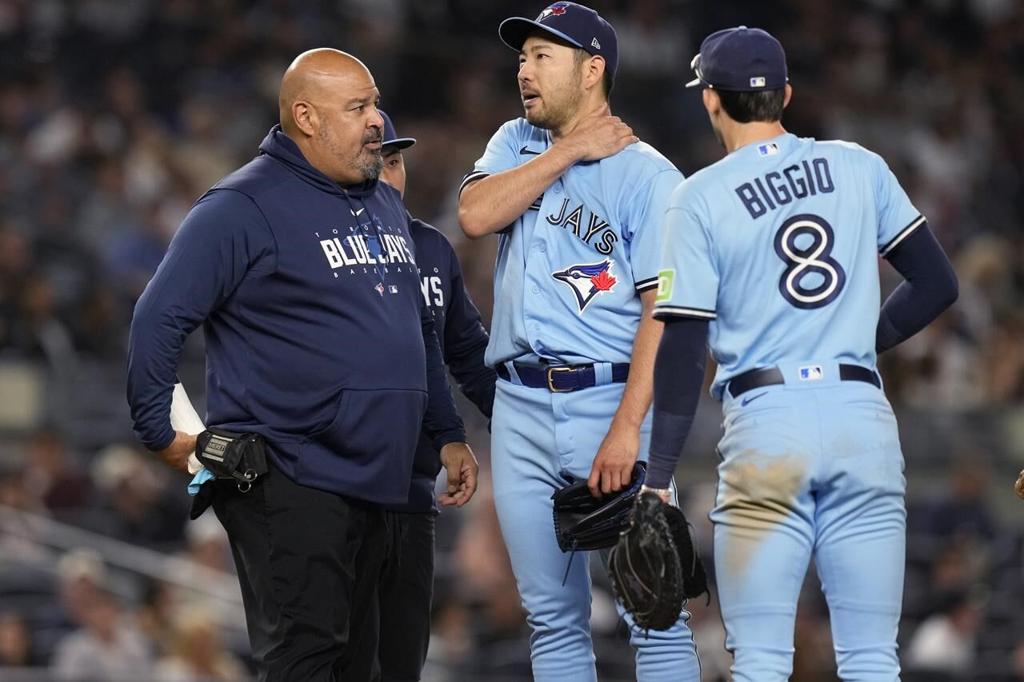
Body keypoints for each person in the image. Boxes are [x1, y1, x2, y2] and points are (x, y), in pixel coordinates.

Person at [126, 48, 479, 682]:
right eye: (359, 107)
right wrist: (165, 438)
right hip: (290, 470)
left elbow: (414, 331)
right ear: (307, 117)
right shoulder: (240, 206)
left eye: (374, 103)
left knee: (362, 669)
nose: (377, 120)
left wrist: (446, 432)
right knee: (307, 662)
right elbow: (158, 320)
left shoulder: (378, 200)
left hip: (380, 481)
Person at [645, 26, 959, 681]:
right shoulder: (858, 164)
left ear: (710, 100)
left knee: (760, 660)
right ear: (785, 94)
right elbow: (937, 283)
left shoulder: (697, 197)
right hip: (859, 415)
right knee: (872, 657)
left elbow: (682, 345)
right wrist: (855, 341)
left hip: (769, 424)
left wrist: (658, 477)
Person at [457, 3, 700, 680]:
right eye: (521, 58)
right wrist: (568, 150)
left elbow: (666, 311)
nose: (524, 71)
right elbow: (475, 214)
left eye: (542, 57)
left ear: (592, 70)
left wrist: (628, 428)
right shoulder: (514, 142)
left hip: (610, 398)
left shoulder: (649, 176)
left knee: (653, 607)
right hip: (520, 408)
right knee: (551, 619)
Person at [375, 110, 497, 681]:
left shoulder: (430, 248)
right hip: (331, 483)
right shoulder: (317, 248)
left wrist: (520, 424)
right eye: (378, 161)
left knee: (403, 657)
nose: (389, 174)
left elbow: (467, 353)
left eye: (395, 161)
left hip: (412, 491)